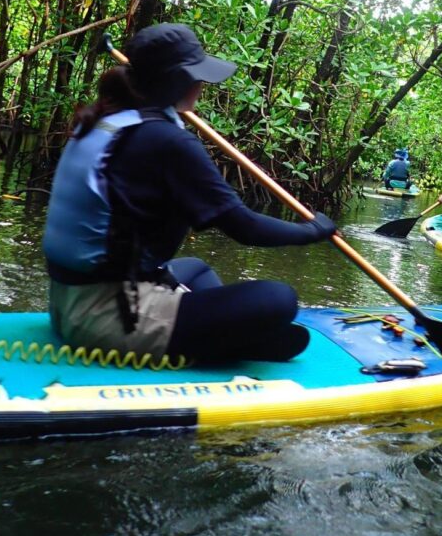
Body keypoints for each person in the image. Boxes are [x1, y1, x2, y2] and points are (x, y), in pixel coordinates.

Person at [42, 22, 336, 366]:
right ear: (175, 81)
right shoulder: (166, 141)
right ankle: (222, 340)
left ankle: (219, 332)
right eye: (196, 76)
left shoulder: (107, 120)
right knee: (280, 299)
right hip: (108, 318)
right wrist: (312, 231)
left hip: (66, 303)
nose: (202, 85)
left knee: (195, 269)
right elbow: (244, 227)